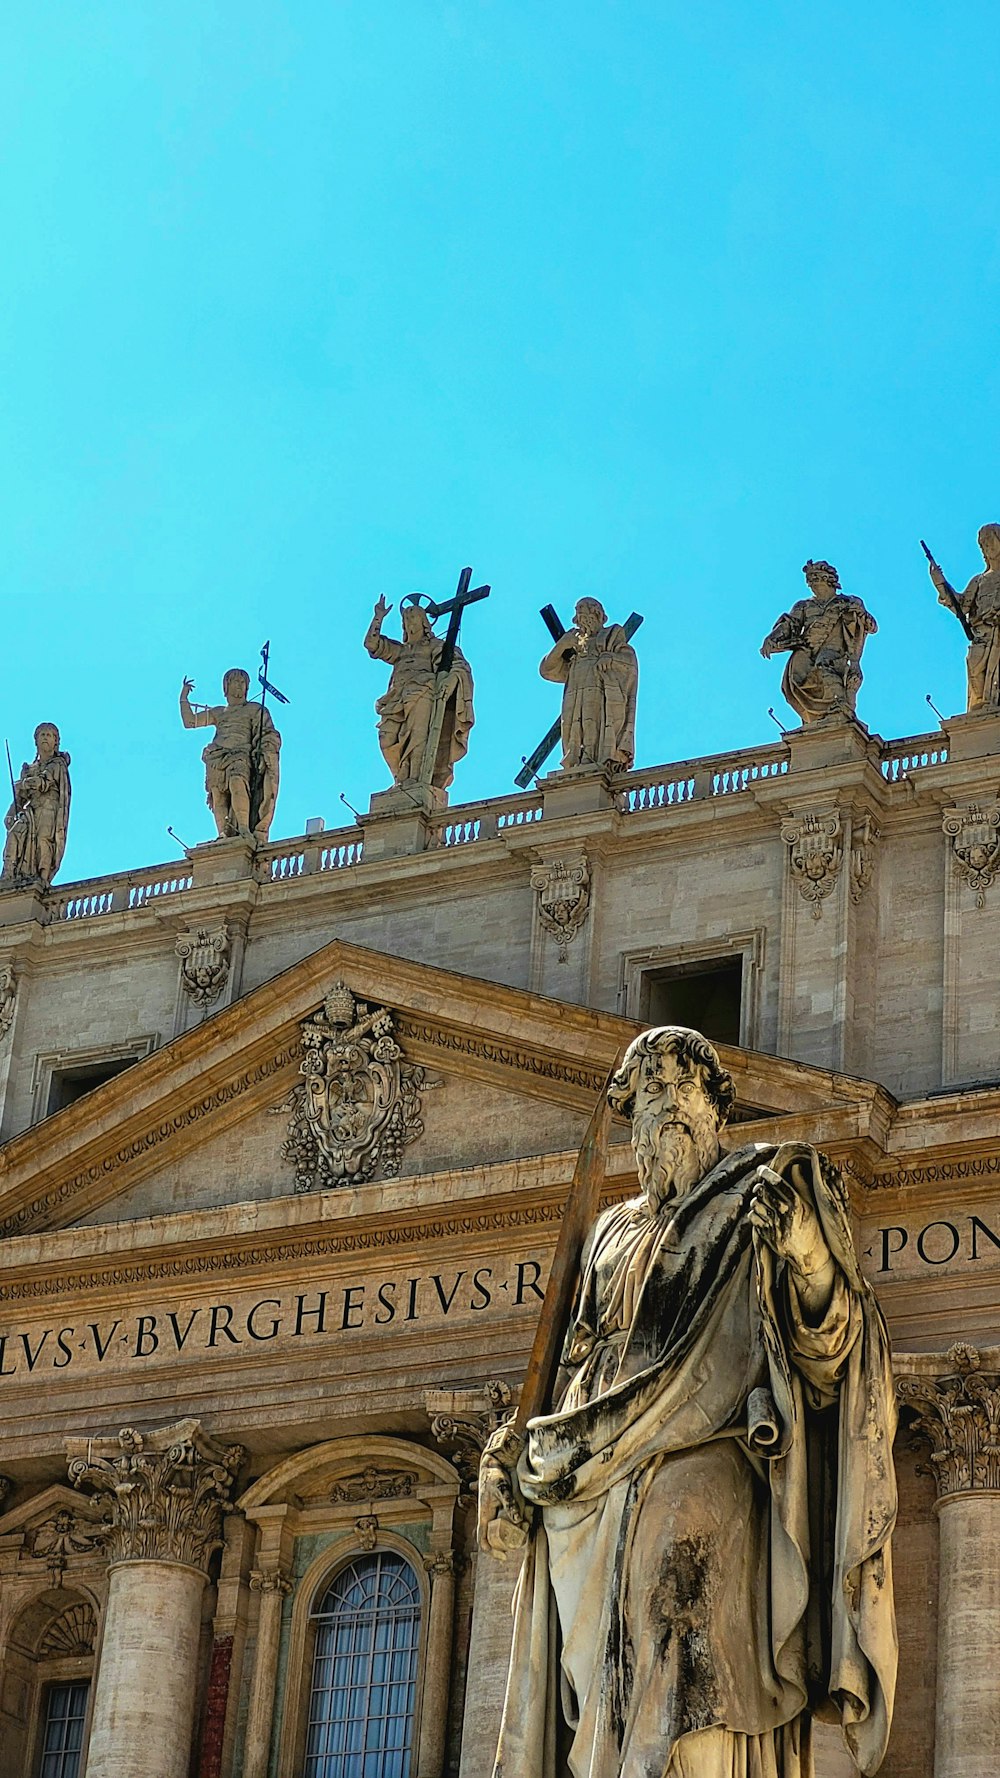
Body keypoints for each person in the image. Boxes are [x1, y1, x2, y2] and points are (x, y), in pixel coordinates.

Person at [480, 1025, 897, 1778]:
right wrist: (526, 1460)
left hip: (712, 1446)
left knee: (679, 1578)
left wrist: (806, 1252)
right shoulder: (608, 1234)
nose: (670, 1105)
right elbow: (575, 1364)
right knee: (618, 1657)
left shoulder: (755, 1196)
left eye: (686, 1089)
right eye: (651, 1094)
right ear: (630, 1119)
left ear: (716, 1110)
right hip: (598, 1475)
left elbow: (834, 1343)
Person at [364, 595, 474, 790]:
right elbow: (372, 645)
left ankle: (414, 780)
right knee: (386, 737)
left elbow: (458, 666)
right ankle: (400, 778)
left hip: (423, 692)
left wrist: (449, 681)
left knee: (417, 738)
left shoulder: (435, 646)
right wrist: (378, 617)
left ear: (424, 622)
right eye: (406, 619)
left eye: (413, 617)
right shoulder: (400, 650)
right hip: (395, 698)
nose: (409, 622)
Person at [761, 561, 877, 725]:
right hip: (806, 649)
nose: (810, 583)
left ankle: (839, 710)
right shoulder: (804, 606)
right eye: (809, 579)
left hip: (834, 650)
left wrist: (862, 615)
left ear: (828, 579)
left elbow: (872, 627)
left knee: (825, 670)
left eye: (815, 578)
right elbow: (789, 624)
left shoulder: (848, 602)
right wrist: (772, 638)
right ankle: (814, 720)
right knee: (795, 681)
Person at [179, 669, 281, 842]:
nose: (240, 686)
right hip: (216, 755)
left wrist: (266, 748)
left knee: (237, 784)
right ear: (226, 686)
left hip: (240, 753)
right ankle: (223, 833)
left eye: (243, 683)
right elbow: (190, 722)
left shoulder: (255, 709)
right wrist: (183, 698)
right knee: (217, 794)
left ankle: (243, 829)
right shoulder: (218, 712)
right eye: (235, 681)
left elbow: (268, 732)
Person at [540, 597, 638, 770]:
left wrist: (611, 658)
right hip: (575, 685)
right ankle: (575, 759)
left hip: (600, 685)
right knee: (571, 723)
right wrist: (562, 645)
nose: (583, 620)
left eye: (587, 615)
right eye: (580, 616)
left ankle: (591, 759)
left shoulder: (613, 635)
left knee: (594, 720)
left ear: (598, 615)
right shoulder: (572, 640)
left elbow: (629, 661)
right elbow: (547, 669)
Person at [927, 524, 1000, 712]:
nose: (986, 547)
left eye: (990, 541)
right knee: (974, 666)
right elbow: (961, 605)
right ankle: (981, 710)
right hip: (982, 636)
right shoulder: (979, 580)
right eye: (982, 544)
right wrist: (939, 582)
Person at [1, 722, 71, 890]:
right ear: (36, 740)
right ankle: (9, 873)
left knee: (43, 841)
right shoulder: (29, 768)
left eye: (49, 735)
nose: (45, 738)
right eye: (42, 735)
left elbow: (43, 782)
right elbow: (20, 798)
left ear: (56, 742)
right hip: (32, 810)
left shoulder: (57, 765)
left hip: (49, 809)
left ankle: (42, 878)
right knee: (16, 831)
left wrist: (24, 784)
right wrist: (10, 813)